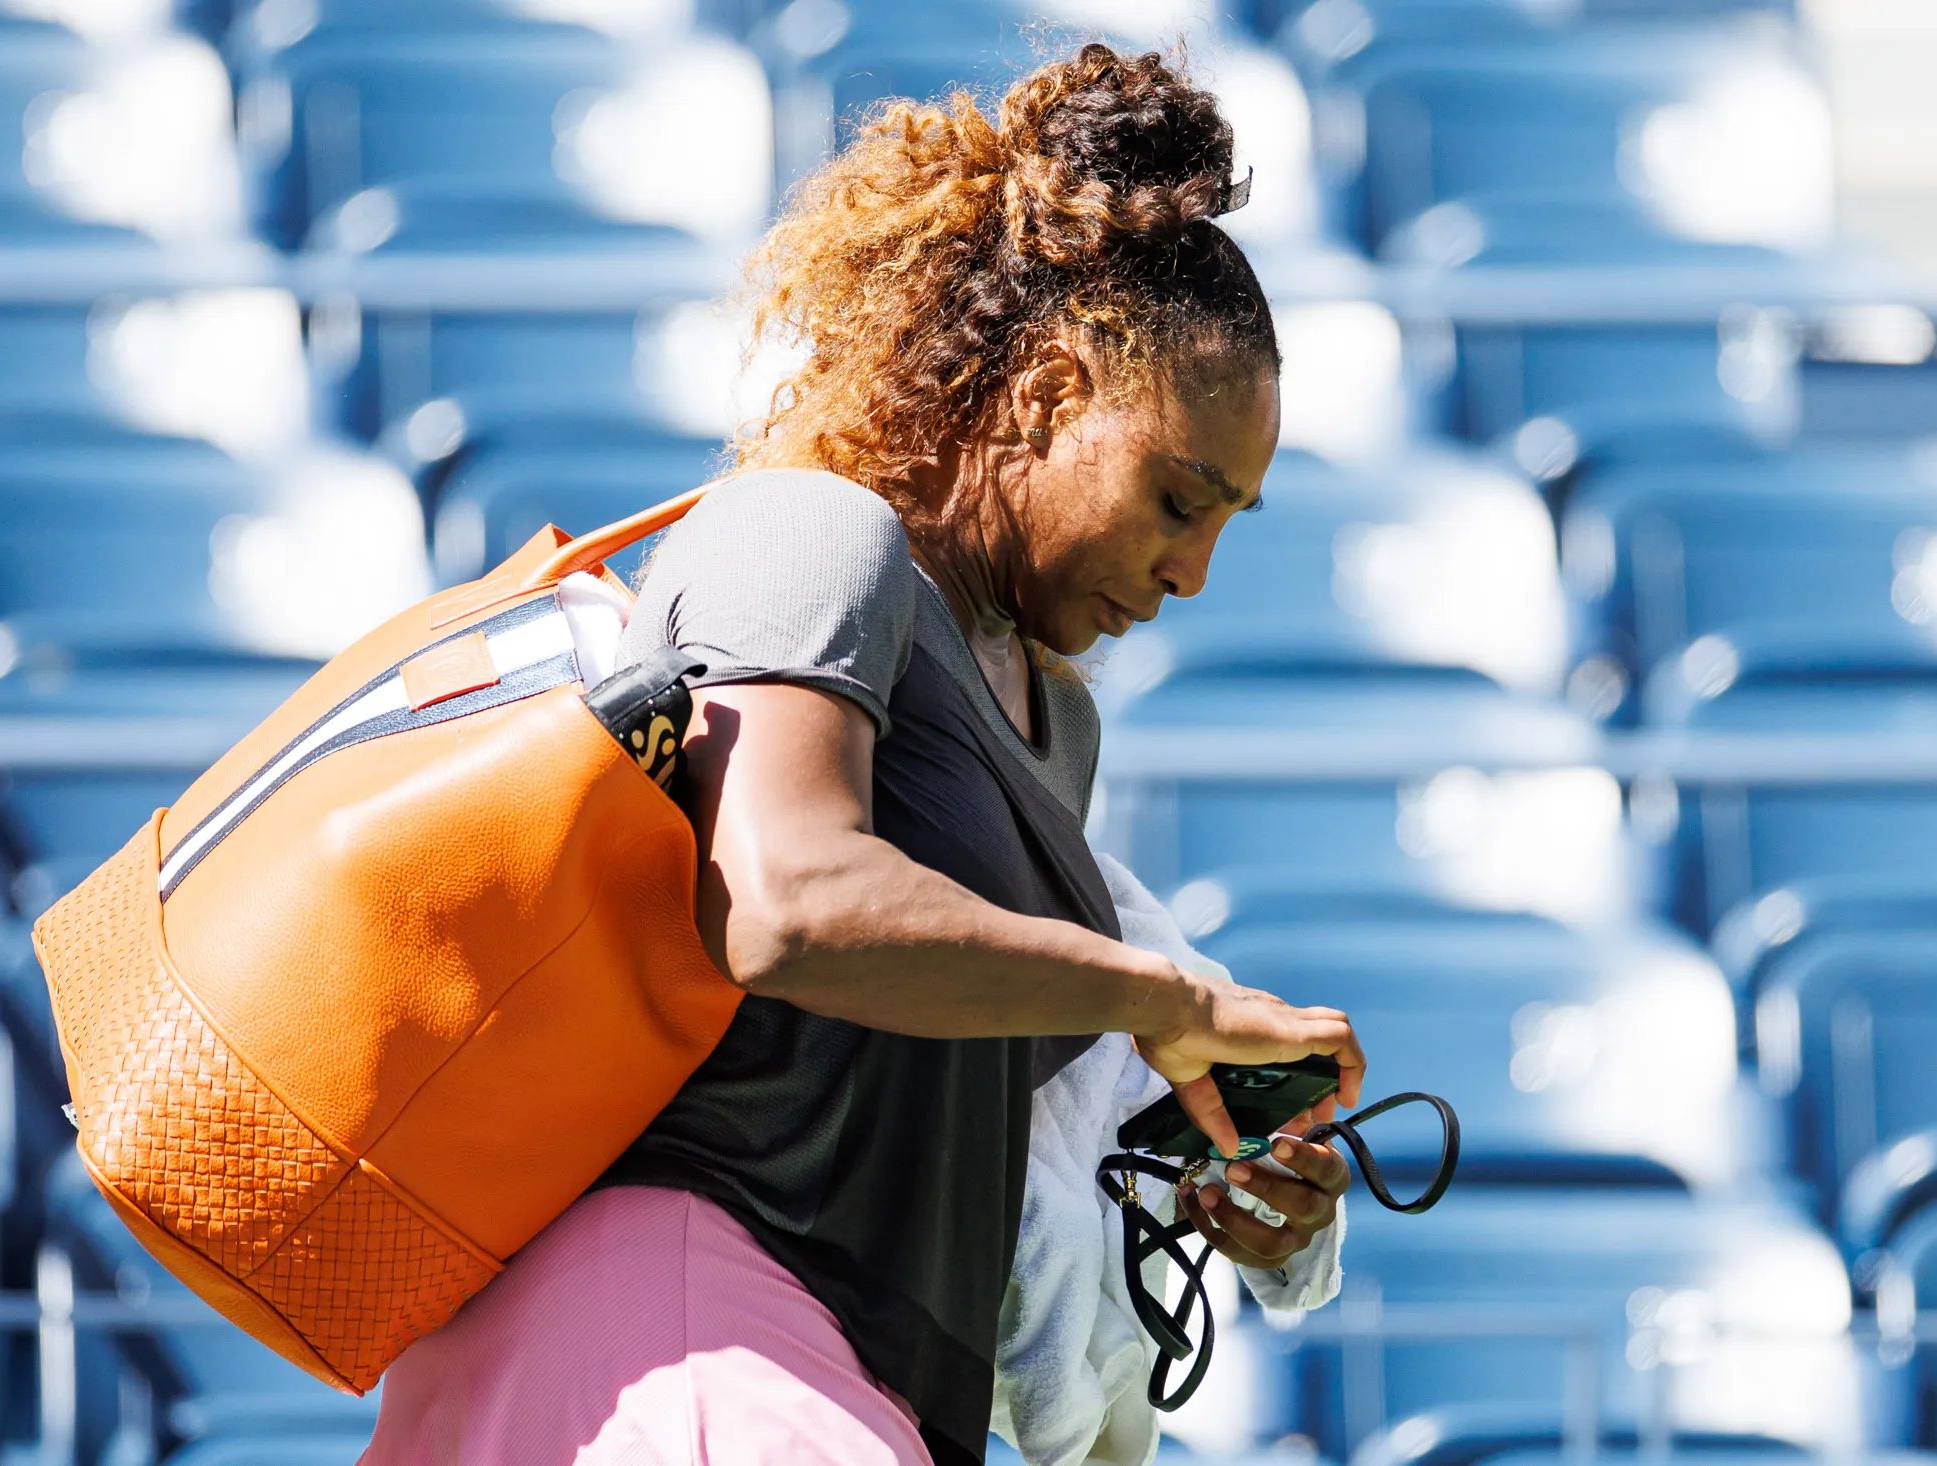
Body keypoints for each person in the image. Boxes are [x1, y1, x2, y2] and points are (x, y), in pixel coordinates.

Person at [362, 42, 1363, 1466]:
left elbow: (957, 1097)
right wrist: (1156, 994)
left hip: (832, 1371)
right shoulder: (811, 531)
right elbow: (786, 900)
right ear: (1045, 396)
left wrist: (1201, 1161)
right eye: (1174, 496)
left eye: (1228, 521)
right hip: (669, 1335)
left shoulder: (1052, 716)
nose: (1193, 571)